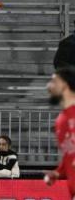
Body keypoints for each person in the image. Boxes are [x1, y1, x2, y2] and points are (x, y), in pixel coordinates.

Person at [45, 67, 75, 197]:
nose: (48, 86)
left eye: (53, 81)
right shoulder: (60, 120)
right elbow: (70, 152)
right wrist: (58, 172)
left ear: (64, 84)